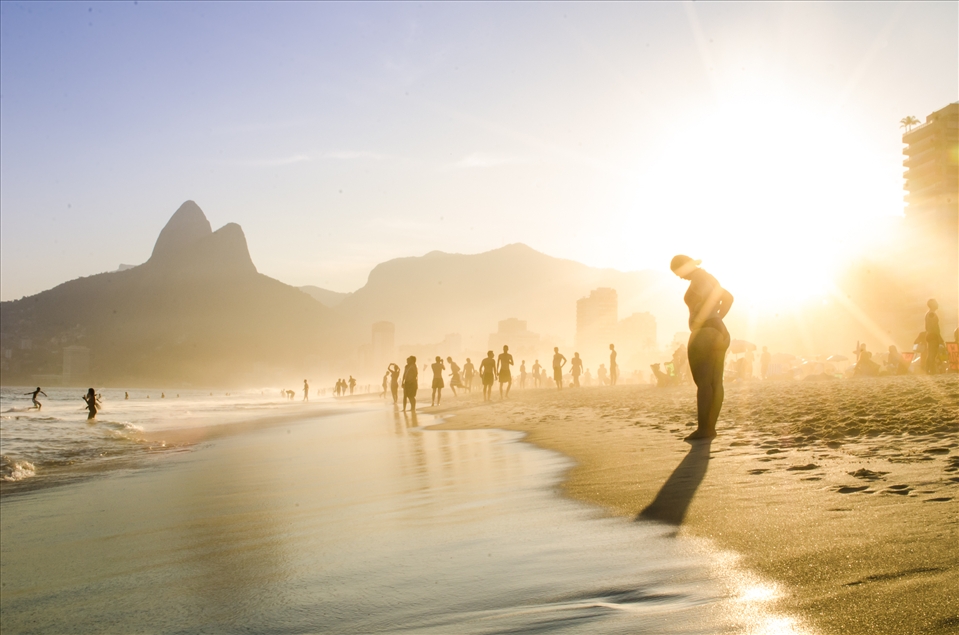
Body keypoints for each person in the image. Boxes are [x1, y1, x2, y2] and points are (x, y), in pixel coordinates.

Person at [671, 254, 733, 441]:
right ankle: (710, 428)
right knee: (716, 382)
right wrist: (717, 318)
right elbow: (728, 298)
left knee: (704, 382)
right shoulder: (708, 277)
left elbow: (722, 298)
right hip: (719, 331)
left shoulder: (699, 279)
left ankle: (704, 429)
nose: (680, 278)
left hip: (705, 332)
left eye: (679, 273)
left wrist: (705, 318)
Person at [925, 299, 942, 375]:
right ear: (931, 305)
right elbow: (935, 327)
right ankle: (930, 370)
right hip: (933, 335)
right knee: (932, 353)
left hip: (930, 335)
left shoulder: (929, 314)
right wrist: (939, 337)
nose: (937, 304)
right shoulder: (931, 314)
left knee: (931, 353)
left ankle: (929, 370)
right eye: (935, 303)